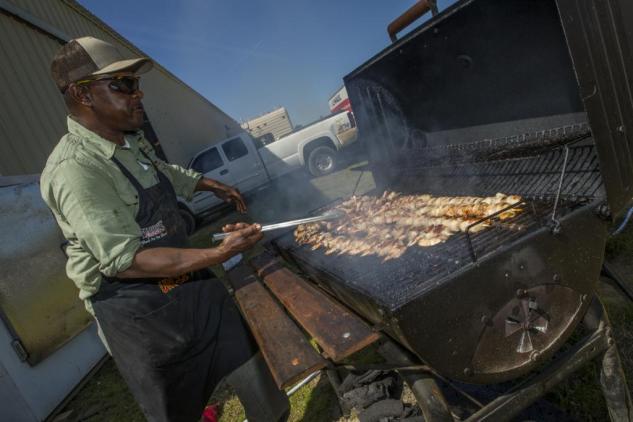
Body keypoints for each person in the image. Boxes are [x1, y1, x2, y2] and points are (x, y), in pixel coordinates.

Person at [40, 36, 289, 422]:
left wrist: (208, 183)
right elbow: (126, 260)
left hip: (187, 280)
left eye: (136, 84)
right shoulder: (76, 170)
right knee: (177, 408)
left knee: (248, 358)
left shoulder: (129, 141)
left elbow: (162, 171)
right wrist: (221, 251)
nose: (138, 94)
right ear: (82, 94)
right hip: (137, 311)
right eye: (123, 85)